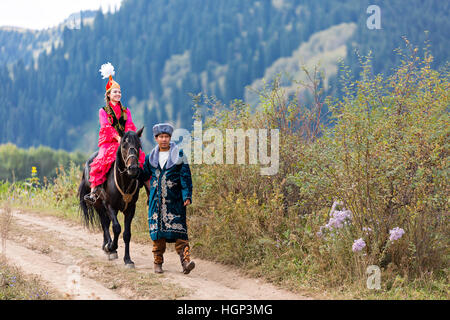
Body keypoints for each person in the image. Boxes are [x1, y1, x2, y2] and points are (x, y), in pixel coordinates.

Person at [84, 62, 145, 204]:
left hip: (124, 141)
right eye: (115, 92)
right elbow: (105, 126)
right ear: (109, 95)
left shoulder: (126, 111)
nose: (118, 94)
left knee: (139, 156)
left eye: (119, 91)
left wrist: (129, 138)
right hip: (109, 141)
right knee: (101, 159)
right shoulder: (103, 111)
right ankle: (94, 192)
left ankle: (147, 187)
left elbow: (129, 125)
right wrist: (118, 137)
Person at [140, 123, 195, 274]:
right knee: (157, 234)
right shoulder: (150, 157)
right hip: (156, 201)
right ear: (156, 138)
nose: (164, 139)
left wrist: (186, 196)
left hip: (175, 200)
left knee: (180, 233)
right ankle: (158, 263)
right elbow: (144, 175)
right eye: (161, 137)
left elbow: (185, 177)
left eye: (166, 137)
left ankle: (186, 262)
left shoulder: (179, 155)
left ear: (170, 138)